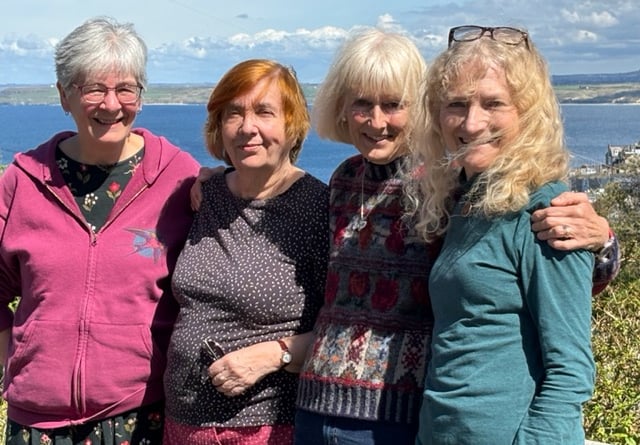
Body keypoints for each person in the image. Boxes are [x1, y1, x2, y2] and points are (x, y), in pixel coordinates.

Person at [291, 28, 617, 445]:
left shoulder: (457, 189)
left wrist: (604, 240)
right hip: (365, 413)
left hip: (401, 415)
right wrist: (211, 180)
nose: (376, 121)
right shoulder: (374, 183)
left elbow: (562, 329)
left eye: (392, 104)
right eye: (361, 103)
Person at [0, 17, 199, 444]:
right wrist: (16, 364)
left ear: (141, 97)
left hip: (139, 416)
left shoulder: (179, 177)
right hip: (36, 423)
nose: (111, 104)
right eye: (93, 89)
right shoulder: (22, 180)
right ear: (63, 95)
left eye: (126, 88)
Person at [412, 25, 595, 443]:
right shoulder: (465, 199)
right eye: (456, 104)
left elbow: (570, 370)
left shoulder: (547, 211)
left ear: (527, 115)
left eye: (493, 103)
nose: (472, 122)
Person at [162, 59, 329, 445]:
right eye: (233, 114)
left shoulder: (318, 208)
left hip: (265, 429)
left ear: (292, 125)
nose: (247, 127)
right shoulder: (209, 194)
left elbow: (342, 327)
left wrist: (275, 355)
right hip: (183, 425)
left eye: (264, 112)